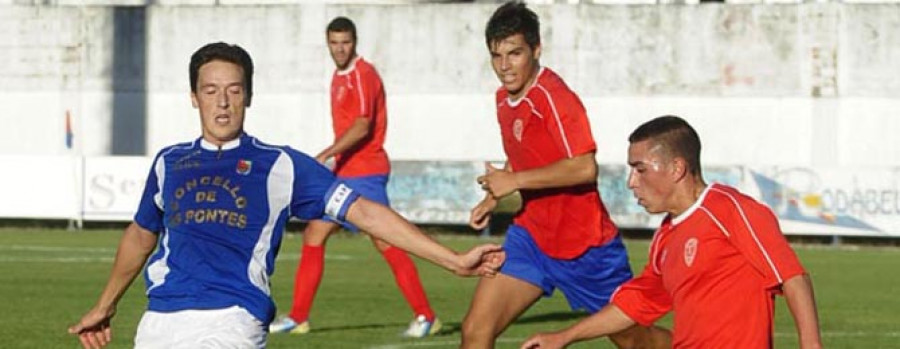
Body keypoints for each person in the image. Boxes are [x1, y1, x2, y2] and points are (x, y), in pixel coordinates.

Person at [67, 42, 502, 349]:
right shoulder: (168, 162)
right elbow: (141, 237)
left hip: (231, 320)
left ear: (249, 97)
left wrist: (452, 259)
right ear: (193, 98)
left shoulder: (280, 164)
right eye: (210, 91)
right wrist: (104, 305)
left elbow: (366, 212)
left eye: (234, 91)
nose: (222, 103)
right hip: (158, 323)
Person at [461, 2, 670, 348]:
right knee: (475, 331)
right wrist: (493, 196)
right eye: (496, 56)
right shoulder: (504, 99)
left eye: (515, 54)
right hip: (531, 239)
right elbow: (524, 156)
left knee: (636, 341)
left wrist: (513, 182)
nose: (504, 67)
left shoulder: (556, 98)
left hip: (586, 249)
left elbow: (584, 167)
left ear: (536, 49)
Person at [521, 115, 823, 349]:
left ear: (677, 168)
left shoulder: (731, 210)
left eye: (640, 169)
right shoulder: (666, 236)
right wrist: (563, 337)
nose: (631, 182)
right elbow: (633, 306)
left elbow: (792, 277)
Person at [267, 16, 442, 338]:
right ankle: (298, 317)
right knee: (315, 235)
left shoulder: (363, 74)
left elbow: (362, 125)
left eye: (345, 42)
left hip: (367, 171)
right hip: (347, 173)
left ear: (355, 42)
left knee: (388, 240)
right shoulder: (338, 77)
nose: (339, 48)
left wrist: (327, 154)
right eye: (334, 43)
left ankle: (425, 314)